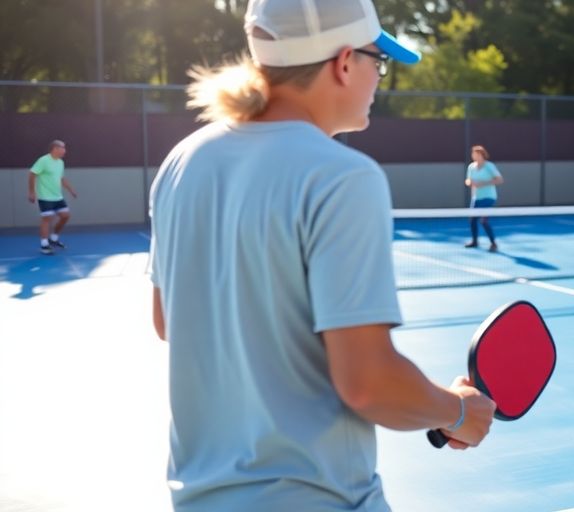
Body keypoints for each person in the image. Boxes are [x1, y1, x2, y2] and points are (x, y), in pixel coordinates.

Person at [148, 1, 495, 510]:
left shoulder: (182, 162)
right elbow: (369, 383)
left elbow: (167, 321)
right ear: (343, 62)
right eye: (379, 61)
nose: (379, 77)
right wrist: (456, 410)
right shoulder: (342, 178)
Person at [28, 140, 77, 255]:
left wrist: (70, 190)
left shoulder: (60, 162)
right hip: (45, 196)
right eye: (63, 148)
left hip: (58, 197)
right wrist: (31, 192)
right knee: (47, 219)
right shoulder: (43, 160)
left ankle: (54, 239)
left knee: (65, 216)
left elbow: (61, 178)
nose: (65, 150)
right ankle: (44, 245)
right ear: (55, 148)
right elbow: (32, 174)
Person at [464, 144, 503, 252]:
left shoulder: (489, 166)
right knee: (472, 219)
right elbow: (468, 180)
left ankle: (493, 243)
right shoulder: (471, 167)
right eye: (473, 154)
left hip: (489, 197)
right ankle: (475, 241)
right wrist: (469, 182)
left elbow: (499, 180)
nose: (473, 155)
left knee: (483, 221)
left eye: (475, 153)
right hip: (476, 198)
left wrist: (484, 183)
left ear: (481, 155)